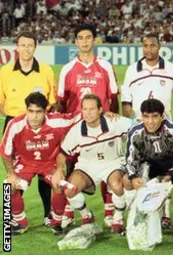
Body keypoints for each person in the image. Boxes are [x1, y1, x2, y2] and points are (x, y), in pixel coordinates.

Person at [57, 23, 119, 228]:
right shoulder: (67, 69)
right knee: (73, 169)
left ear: (94, 40)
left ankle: (109, 212)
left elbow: (113, 97)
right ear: (76, 41)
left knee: (108, 167)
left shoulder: (105, 66)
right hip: (76, 130)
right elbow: (61, 103)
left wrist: (114, 120)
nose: (84, 41)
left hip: (102, 129)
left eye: (88, 37)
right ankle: (70, 209)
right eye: (80, 38)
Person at [0, 32, 57, 227]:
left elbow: (52, 101)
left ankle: (49, 214)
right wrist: (16, 120)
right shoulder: (5, 71)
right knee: (14, 173)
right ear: (17, 47)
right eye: (22, 45)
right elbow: (1, 101)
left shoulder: (46, 70)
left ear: (35, 47)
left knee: (45, 171)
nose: (26, 49)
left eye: (30, 45)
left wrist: (38, 120)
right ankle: (14, 217)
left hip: (41, 125)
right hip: (14, 126)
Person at [53, 94, 132, 234]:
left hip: (113, 163)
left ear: (100, 109)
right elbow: (62, 153)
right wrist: (59, 170)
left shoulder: (115, 122)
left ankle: (118, 217)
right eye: (84, 109)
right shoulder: (76, 130)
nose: (87, 113)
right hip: (87, 166)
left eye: (92, 109)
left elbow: (137, 125)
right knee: (70, 190)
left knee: (117, 185)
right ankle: (86, 215)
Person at [1, 92, 77, 235]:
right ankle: (20, 222)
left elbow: (80, 117)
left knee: (59, 184)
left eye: (38, 112)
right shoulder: (15, 125)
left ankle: (56, 223)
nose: (34, 116)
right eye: (31, 111)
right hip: (25, 162)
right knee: (8, 187)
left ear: (45, 111)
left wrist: (105, 111)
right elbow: (5, 152)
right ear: (26, 110)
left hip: (49, 162)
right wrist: (11, 175)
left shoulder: (57, 122)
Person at [122, 99, 173, 239]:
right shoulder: (135, 132)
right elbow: (131, 160)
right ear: (141, 117)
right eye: (146, 117)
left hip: (171, 165)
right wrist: (134, 177)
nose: (150, 121)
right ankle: (136, 221)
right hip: (148, 166)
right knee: (126, 181)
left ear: (162, 116)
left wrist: (171, 174)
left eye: (155, 116)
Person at [121, 33, 173, 121]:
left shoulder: (171, 69)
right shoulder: (132, 70)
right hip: (139, 124)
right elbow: (126, 100)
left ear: (159, 46)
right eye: (145, 46)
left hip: (163, 123)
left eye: (152, 45)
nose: (149, 49)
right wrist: (127, 125)